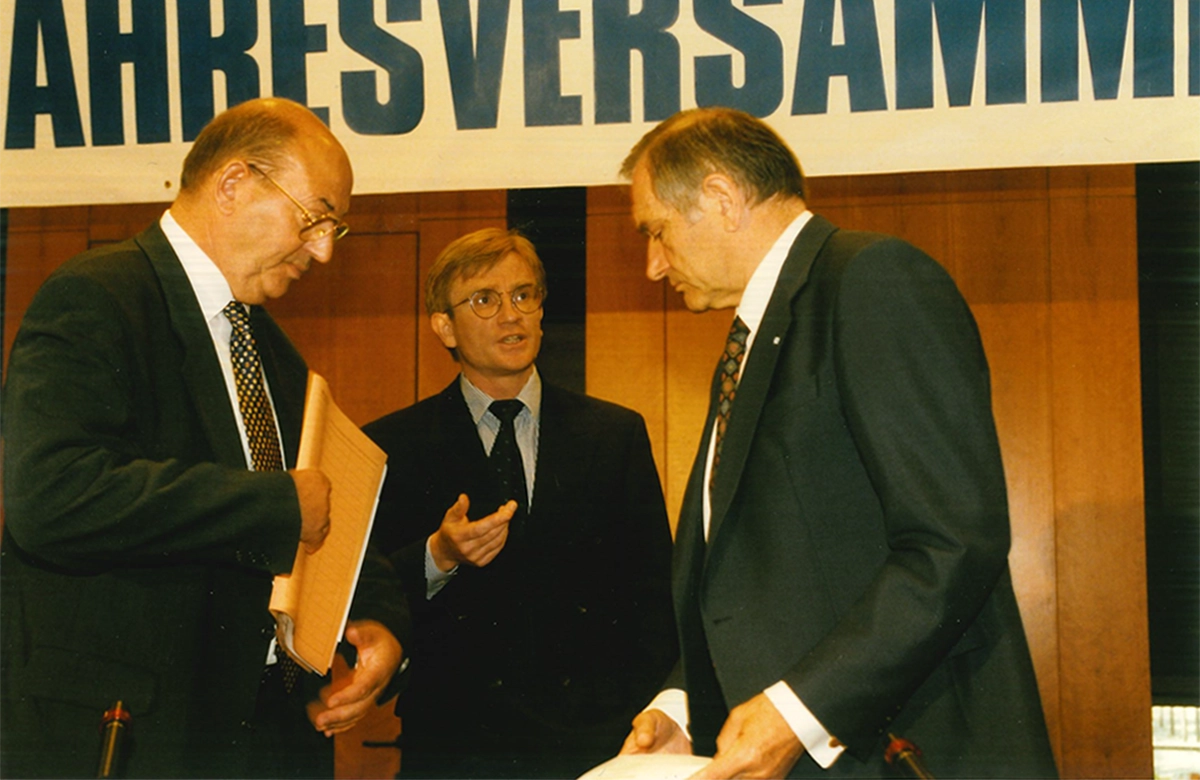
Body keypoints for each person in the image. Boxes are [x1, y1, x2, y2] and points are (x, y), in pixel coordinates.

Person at [616, 107, 1058, 779]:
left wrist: (799, 710)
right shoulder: (752, 340)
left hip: (898, 753)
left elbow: (952, 541)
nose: (652, 264)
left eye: (656, 230)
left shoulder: (872, 282)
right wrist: (684, 706)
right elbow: (758, 577)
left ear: (720, 197)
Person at [0, 97, 409, 779]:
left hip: (265, 742)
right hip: (131, 740)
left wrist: (377, 614)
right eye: (314, 219)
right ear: (233, 185)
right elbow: (51, 495)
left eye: (335, 228)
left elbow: (326, 508)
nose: (325, 250)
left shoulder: (270, 350)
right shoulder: (97, 296)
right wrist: (273, 507)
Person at [363, 228, 677, 778]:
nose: (512, 315)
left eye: (524, 296)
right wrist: (438, 555)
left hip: (595, 745)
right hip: (455, 747)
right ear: (444, 326)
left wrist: (648, 715)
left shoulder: (614, 433)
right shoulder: (390, 445)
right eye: (485, 300)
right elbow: (367, 593)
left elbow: (655, 597)